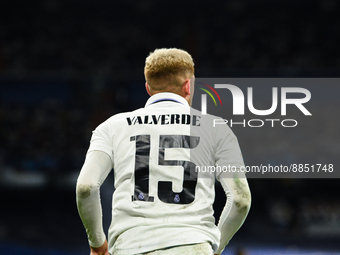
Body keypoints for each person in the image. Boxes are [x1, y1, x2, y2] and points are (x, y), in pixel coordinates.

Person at [76, 48, 251, 255]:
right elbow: (241, 199)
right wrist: (214, 248)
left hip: (130, 246)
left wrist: (97, 244)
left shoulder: (111, 126)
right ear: (189, 85)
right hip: (193, 245)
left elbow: (86, 187)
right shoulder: (217, 128)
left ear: (148, 88)